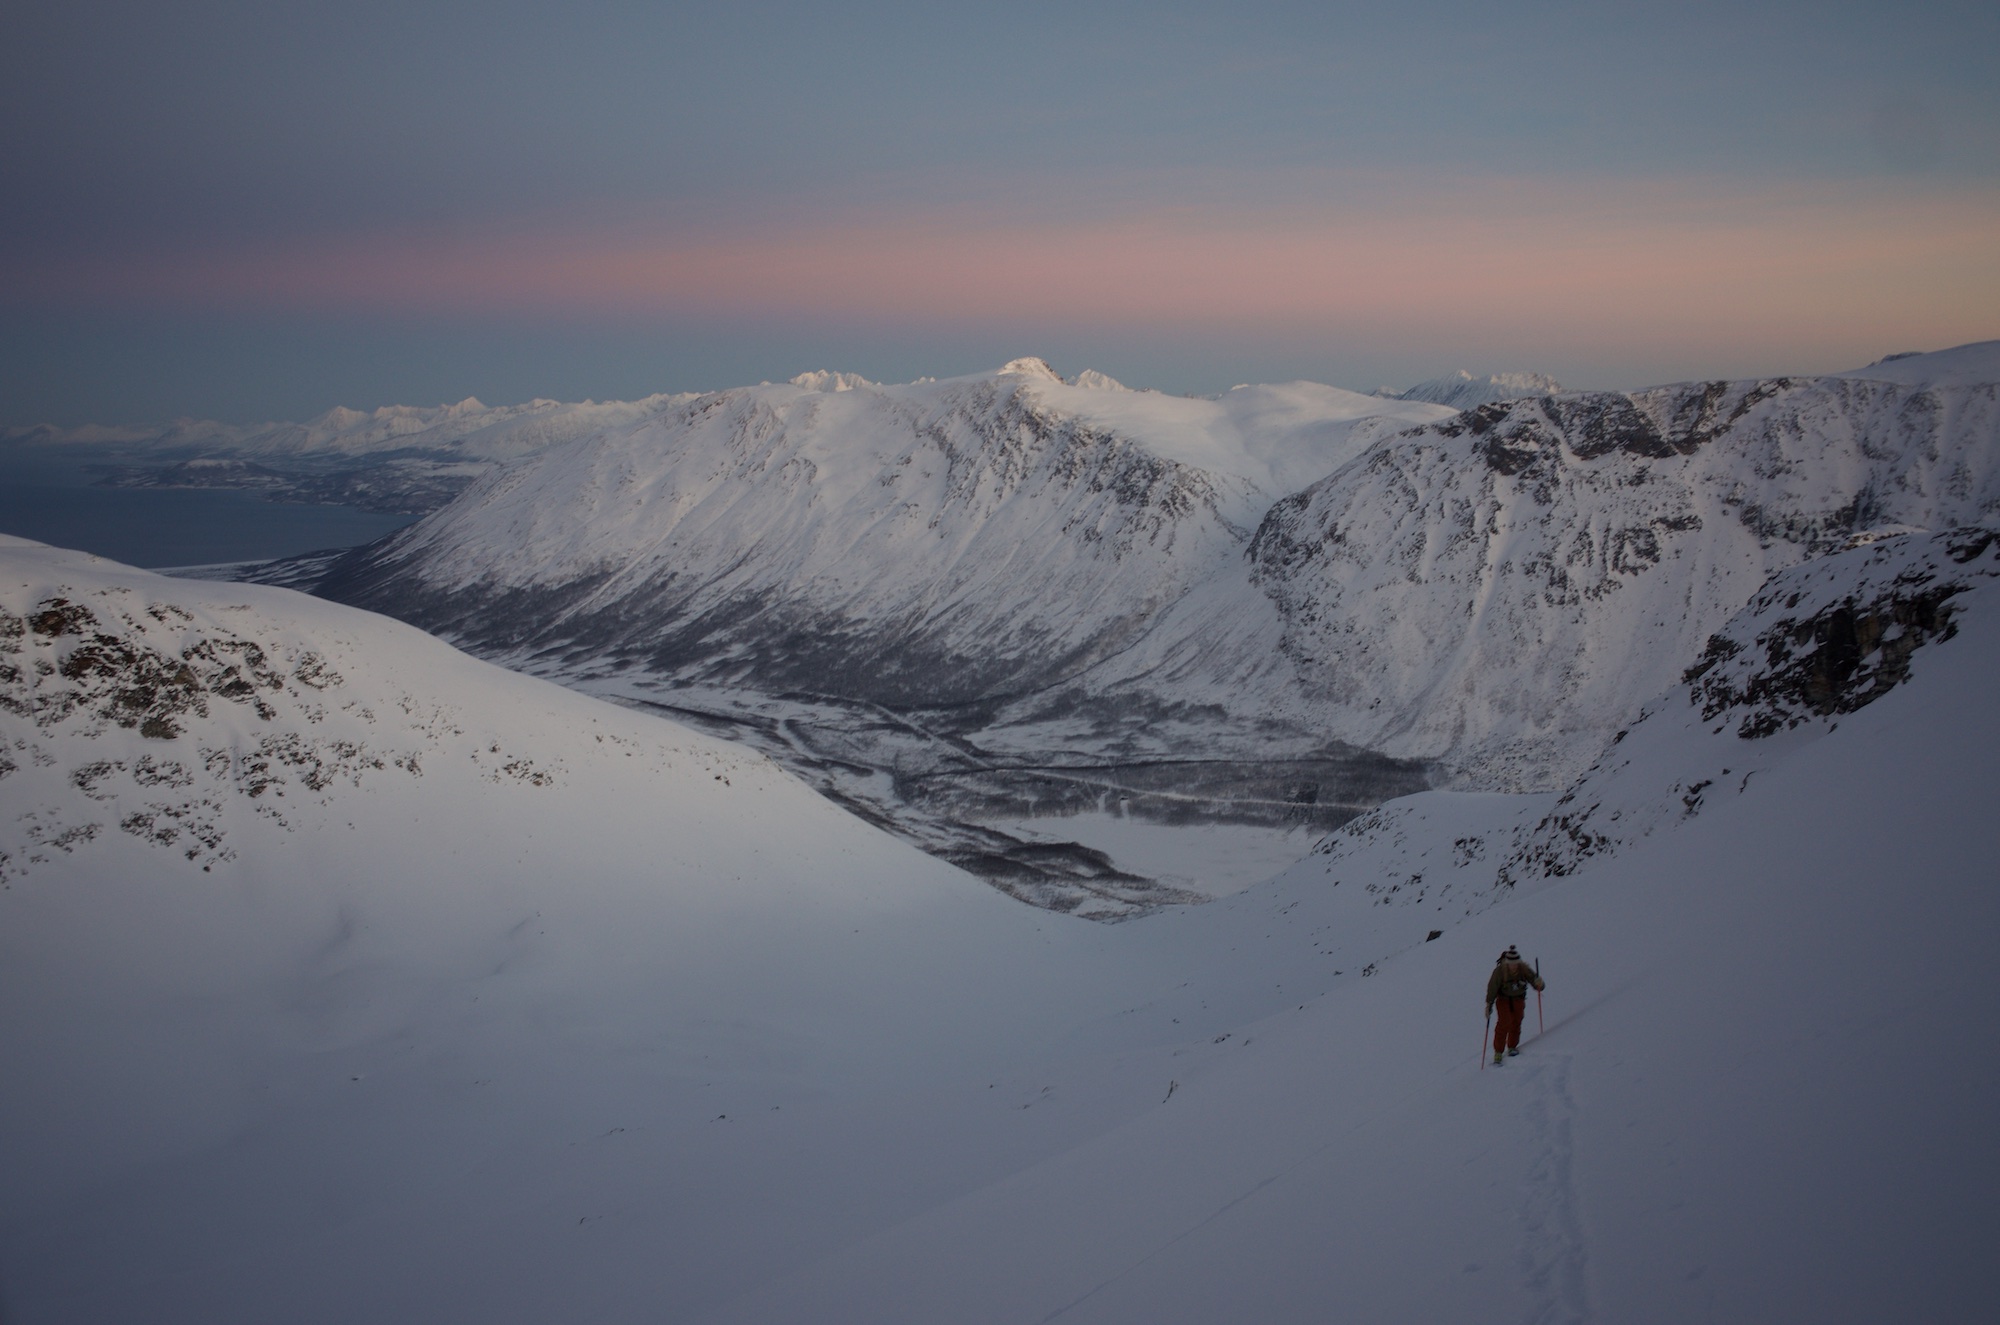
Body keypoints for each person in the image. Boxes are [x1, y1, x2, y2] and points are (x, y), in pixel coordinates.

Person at [1485, 945, 1545, 1064]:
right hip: (1503, 1000)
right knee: (1504, 1023)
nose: (1513, 966)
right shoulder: (1499, 971)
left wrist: (1539, 983)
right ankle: (1498, 1052)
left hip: (1518, 999)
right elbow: (1492, 988)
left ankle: (1512, 1046)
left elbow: (1536, 983)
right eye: (1511, 964)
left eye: (1515, 964)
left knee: (1516, 1022)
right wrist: (1489, 1004)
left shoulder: (1524, 969)